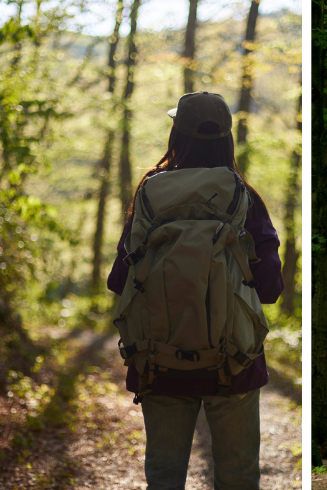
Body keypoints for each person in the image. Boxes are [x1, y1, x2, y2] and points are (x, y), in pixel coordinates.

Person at [107, 91, 283, 489]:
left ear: (176, 136)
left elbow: (118, 281)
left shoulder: (150, 194)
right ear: (226, 139)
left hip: (159, 360)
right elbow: (271, 287)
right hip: (235, 362)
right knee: (238, 476)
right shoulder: (244, 197)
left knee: (165, 476)